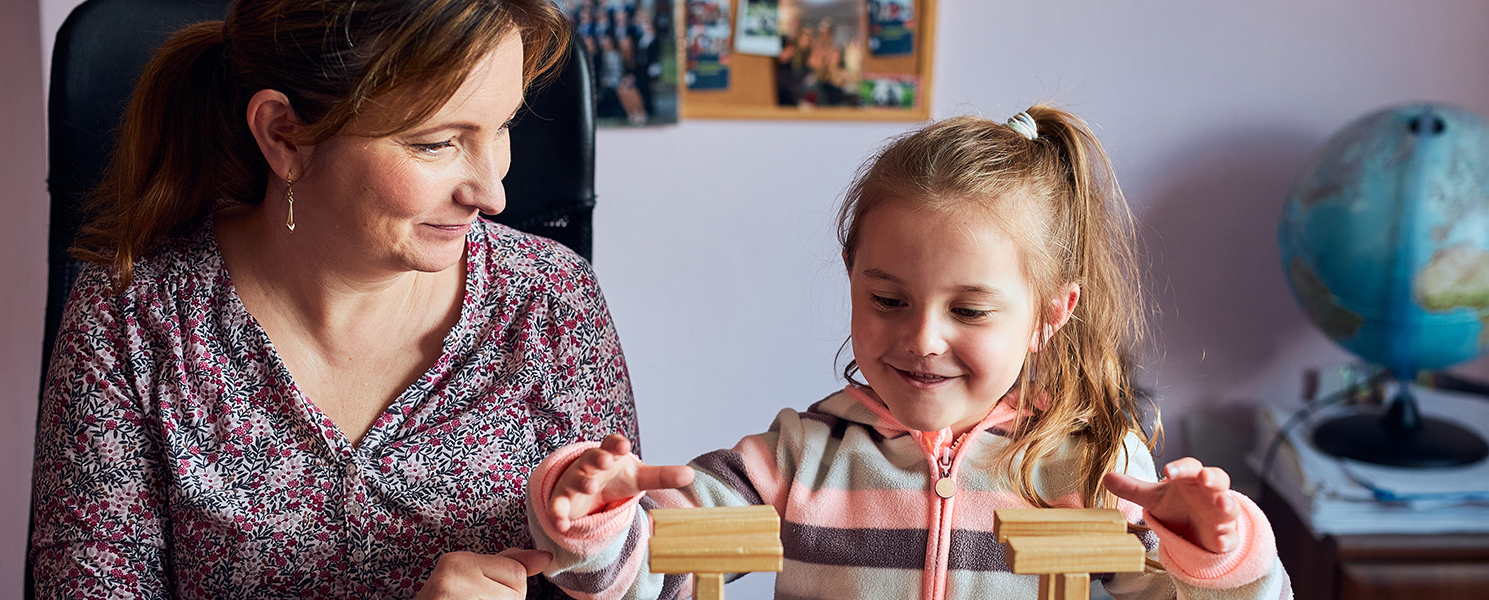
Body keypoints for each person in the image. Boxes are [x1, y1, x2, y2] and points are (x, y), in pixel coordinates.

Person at [526, 105, 1292, 599]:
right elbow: (650, 571)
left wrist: (1218, 550)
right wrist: (594, 516)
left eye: (970, 309)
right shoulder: (801, 455)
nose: (922, 339)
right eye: (887, 300)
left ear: (1052, 313)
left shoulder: (1089, 463)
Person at [29, 1, 640, 598]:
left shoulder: (553, 302)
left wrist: (623, 539)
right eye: (435, 144)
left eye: (502, 126)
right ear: (284, 134)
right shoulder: (129, 318)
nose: (492, 192)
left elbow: (642, 583)